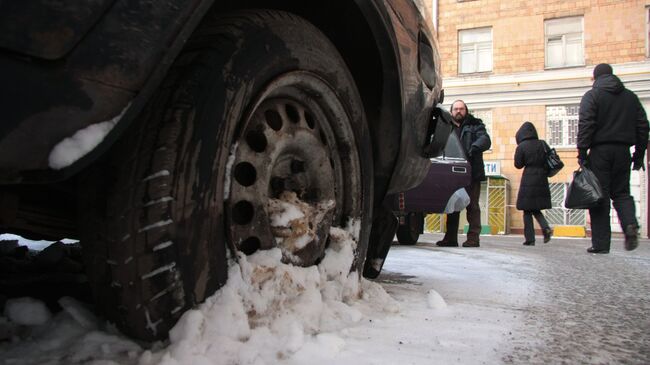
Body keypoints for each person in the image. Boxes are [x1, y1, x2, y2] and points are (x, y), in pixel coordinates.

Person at [577, 63, 649, 254]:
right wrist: (639, 155)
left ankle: (600, 244)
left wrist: (582, 153)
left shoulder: (592, 96)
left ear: (595, 78)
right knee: (622, 193)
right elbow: (643, 126)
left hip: (600, 152)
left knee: (600, 197)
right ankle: (630, 225)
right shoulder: (630, 98)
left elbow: (586, 124)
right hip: (623, 152)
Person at [436, 100, 491, 247]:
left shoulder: (476, 125)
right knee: (452, 205)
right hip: (453, 172)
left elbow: (485, 140)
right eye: (456, 109)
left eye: (461, 109)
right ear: (451, 111)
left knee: (472, 206)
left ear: (466, 110)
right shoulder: (446, 127)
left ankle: (473, 238)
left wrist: (474, 147)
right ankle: (450, 238)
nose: (458, 111)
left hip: (472, 172)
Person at [514, 122, 553, 246]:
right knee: (535, 207)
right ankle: (545, 227)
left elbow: (518, 165)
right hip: (542, 178)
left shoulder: (522, 146)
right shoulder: (542, 144)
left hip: (528, 178)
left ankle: (530, 239)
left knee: (526, 209)